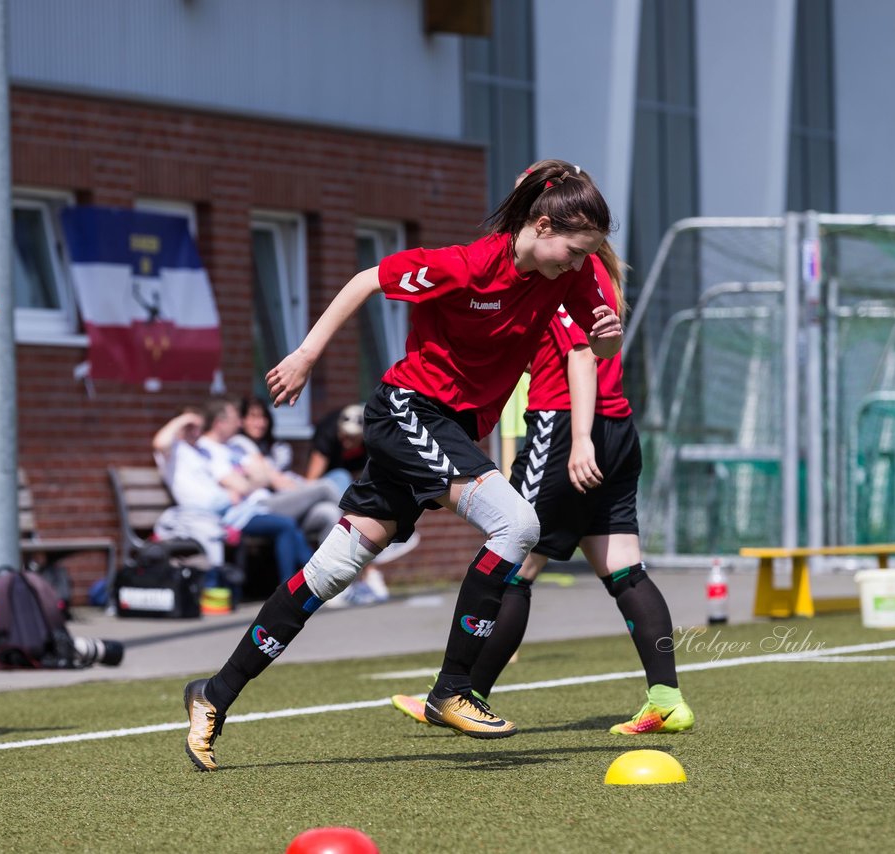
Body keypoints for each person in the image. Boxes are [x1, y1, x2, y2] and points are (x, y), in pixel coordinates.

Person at [181, 159, 623, 771]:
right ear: (543, 226)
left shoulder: (570, 273)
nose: (577, 266)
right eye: (572, 251)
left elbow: (595, 347)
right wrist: (306, 354)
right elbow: (367, 279)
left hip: (453, 430)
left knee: (332, 570)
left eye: (585, 256)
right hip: (406, 412)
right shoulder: (465, 266)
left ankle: (214, 693)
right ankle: (452, 690)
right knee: (517, 525)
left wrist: (608, 334)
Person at [389, 236, 694, 735]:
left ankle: (461, 695)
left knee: (514, 565)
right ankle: (666, 699)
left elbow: (578, 354)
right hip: (618, 428)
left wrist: (578, 441)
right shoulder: (591, 268)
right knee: (625, 570)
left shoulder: (557, 271)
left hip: (565, 427)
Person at [153, 398, 341, 584]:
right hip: (212, 515)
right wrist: (184, 419)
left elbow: (257, 478)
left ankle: (319, 581)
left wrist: (236, 490)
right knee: (290, 520)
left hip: (231, 510)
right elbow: (160, 442)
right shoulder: (174, 451)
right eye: (189, 427)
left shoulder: (202, 451)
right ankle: (300, 584)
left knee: (325, 510)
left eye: (197, 427)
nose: (195, 432)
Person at [304, 402, 367, 494]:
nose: (347, 443)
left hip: (355, 480)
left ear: (362, 436)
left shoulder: (372, 440)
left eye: (353, 438)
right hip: (328, 482)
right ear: (339, 430)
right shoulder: (327, 432)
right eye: (345, 436)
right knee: (342, 476)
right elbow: (312, 480)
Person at [232, 395, 296, 478]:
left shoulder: (279, 448)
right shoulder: (235, 445)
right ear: (242, 421)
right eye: (254, 417)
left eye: (264, 417)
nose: (260, 423)